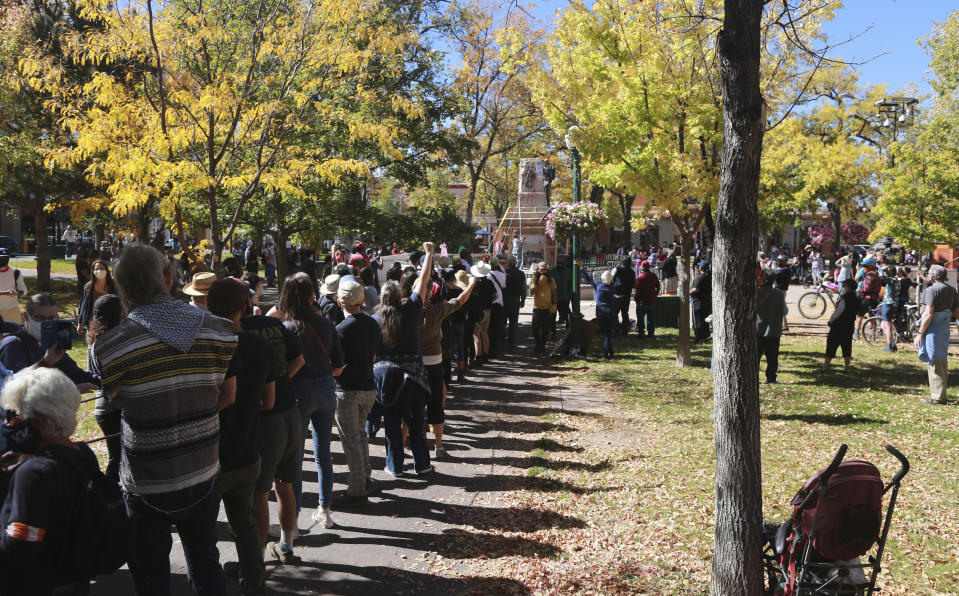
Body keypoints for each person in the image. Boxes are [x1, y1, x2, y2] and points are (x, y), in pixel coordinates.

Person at [91, 245, 237, 594]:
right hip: (202, 468)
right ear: (168, 279)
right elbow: (224, 393)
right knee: (205, 562)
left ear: (119, 288)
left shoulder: (109, 348)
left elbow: (108, 399)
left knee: (152, 575)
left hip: (146, 481)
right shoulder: (221, 331)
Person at [0, 367, 101, 595]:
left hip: (35, 584)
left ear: (37, 422)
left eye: (12, 415)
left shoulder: (33, 473)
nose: (8, 423)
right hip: (73, 578)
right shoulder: (83, 455)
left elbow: (21, 545)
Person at [207, 278, 274, 595]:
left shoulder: (207, 345)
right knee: (244, 524)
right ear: (244, 307)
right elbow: (268, 401)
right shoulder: (260, 345)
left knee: (203, 530)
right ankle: (254, 581)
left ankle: (207, 583)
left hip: (209, 455)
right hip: (247, 449)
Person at [276, 272, 344, 531]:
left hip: (299, 391)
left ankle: (292, 518)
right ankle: (325, 508)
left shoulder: (287, 329)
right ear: (311, 295)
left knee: (294, 457)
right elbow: (339, 365)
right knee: (322, 453)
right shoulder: (326, 324)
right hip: (326, 387)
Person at [374, 242, 435, 477]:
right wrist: (429, 254)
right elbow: (422, 282)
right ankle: (422, 464)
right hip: (413, 377)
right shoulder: (410, 310)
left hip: (386, 378)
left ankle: (394, 465)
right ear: (400, 294)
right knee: (417, 423)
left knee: (391, 425)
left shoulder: (375, 317)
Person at [333, 279, 382, 506]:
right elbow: (374, 356)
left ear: (339, 300)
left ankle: (356, 490)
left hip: (348, 390)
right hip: (368, 387)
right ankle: (364, 478)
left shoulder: (340, 330)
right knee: (360, 436)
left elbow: (336, 366)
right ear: (362, 300)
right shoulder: (372, 324)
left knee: (351, 440)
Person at [420, 276, 475, 458]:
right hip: (434, 363)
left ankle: (402, 448)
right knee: (436, 406)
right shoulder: (437, 311)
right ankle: (439, 446)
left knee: (412, 407)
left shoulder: (407, 310)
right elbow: (459, 301)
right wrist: (472, 284)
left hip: (413, 364)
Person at [0, 293, 99, 389]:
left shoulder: (52, 343)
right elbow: (15, 390)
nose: (46, 323)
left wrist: (106, 381)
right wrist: (69, 391)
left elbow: (76, 374)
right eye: (40, 318)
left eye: (51, 318)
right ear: (25, 317)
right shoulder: (13, 344)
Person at [86, 294, 124, 485]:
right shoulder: (111, 342)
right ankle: (108, 496)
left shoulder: (94, 339)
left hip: (104, 407)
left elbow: (90, 372)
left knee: (117, 456)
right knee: (117, 459)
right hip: (112, 408)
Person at [914, 265, 959, 405]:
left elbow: (928, 314)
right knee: (941, 359)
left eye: (928, 274)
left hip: (933, 329)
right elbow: (956, 313)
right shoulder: (952, 290)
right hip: (944, 329)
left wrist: (920, 333)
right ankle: (940, 394)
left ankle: (937, 397)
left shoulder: (931, 290)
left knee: (934, 360)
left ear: (932, 276)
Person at [822, 279, 861, 374]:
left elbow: (837, 313)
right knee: (847, 347)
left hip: (838, 326)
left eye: (843, 286)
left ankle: (826, 366)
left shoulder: (844, 299)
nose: (842, 288)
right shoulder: (856, 299)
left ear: (847, 287)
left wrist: (830, 321)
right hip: (849, 326)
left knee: (831, 346)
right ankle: (847, 367)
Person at [756, 270, 787, 383]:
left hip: (758, 330)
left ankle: (754, 377)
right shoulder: (779, 294)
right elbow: (785, 311)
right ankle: (771, 377)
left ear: (762, 279)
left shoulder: (756, 292)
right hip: (774, 330)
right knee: (772, 358)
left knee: (755, 357)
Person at [76, 259, 117, 334]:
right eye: (97, 269)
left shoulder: (113, 286)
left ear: (106, 270)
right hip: (92, 323)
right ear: (93, 271)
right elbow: (83, 306)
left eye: (102, 268)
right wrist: (80, 323)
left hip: (110, 322)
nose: (99, 271)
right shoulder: (88, 287)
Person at [468, 260, 495, 365]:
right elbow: (496, 296)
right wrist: (489, 302)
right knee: (485, 333)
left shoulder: (475, 284)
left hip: (478, 311)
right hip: (488, 310)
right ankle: (486, 354)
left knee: (476, 335)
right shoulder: (489, 282)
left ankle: (478, 356)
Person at [529, 262, 557, 354]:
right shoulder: (534, 280)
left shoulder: (551, 280)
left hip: (548, 308)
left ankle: (543, 345)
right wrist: (540, 282)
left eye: (545, 270)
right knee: (535, 328)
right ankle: (538, 344)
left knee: (546, 329)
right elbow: (532, 292)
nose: (543, 272)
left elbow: (554, 293)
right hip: (537, 308)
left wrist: (554, 304)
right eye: (541, 270)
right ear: (538, 270)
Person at [591, 270, 617, 360]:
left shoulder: (598, 285)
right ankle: (611, 353)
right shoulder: (612, 288)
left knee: (606, 334)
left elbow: (588, 278)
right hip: (610, 312)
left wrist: (581, 268)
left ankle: (605, 355)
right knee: (607, 333)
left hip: (600, 312)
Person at [502, 256, 526, 346]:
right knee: (513, 321)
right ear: (516, 263)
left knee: (503, 320)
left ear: (508, 263)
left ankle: (502, 337)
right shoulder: (521, 273)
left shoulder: (504, 273)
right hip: (515, 299)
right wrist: (523, 299)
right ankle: (511, 341)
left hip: (505, 298)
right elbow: (524, 288)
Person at [486, 257, 507, 358]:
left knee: (488, 327)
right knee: (496, 327)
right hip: (499, 302)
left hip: (490, 302)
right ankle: (494, 348)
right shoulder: (503, 275)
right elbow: (503, 286)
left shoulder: (487, 275)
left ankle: (487, 348)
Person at [0, 249, 27, 326]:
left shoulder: (15, 272)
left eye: (4, 258)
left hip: (12, 310)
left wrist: (18, 293)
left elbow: (23, 290)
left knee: (15, 334)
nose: (2, 260)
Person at [634, 261, 660, 337]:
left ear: (642, 267)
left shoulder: (640, 277)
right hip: (651, 300)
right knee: (651, 319)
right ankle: (651, 334)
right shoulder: (653, 276)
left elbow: (637, 290)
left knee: (640, 319)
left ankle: (641, 333)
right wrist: (655, 294)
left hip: (642, 301)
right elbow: (658, 286)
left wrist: (637, 299)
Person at [879, 265, 900, 352]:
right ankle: (892, 344)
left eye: (887, 272)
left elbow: (881, 276)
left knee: (887, 326)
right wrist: (882, 303)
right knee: (883, 325)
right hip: (889, 304)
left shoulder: (892, 280)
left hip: (889, 305)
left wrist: (882, 269)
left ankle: (890, 347)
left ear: (890, 272)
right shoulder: (896, 280)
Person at [690, 262, 712, 342]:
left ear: (700, 268)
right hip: (707, 301)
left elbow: (695, 289)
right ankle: (706, 337)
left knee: (698, 321)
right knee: (705, 321)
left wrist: (688, 292)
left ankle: (700, 338)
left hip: (698, 302)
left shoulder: (699, 278)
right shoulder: (709, 277)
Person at [611, 258, 634, 334]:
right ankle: (624, 330)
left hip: (616, 294)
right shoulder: (632, 272)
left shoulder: (616, 269)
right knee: (625, 313)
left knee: (614, 313)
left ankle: (615, 329)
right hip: (626, 295)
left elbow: (610, 279)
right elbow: (633, 284)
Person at [550, 257, 571, 333]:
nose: (559, 263)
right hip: (557, 298)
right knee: (553, 316)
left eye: (560, 262)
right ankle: (553, 332)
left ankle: (568, 331)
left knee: (567, 316)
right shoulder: (552, 271)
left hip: (563, 297)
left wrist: (569, 297)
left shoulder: (568, 272)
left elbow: (570, 286)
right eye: (558, 262)